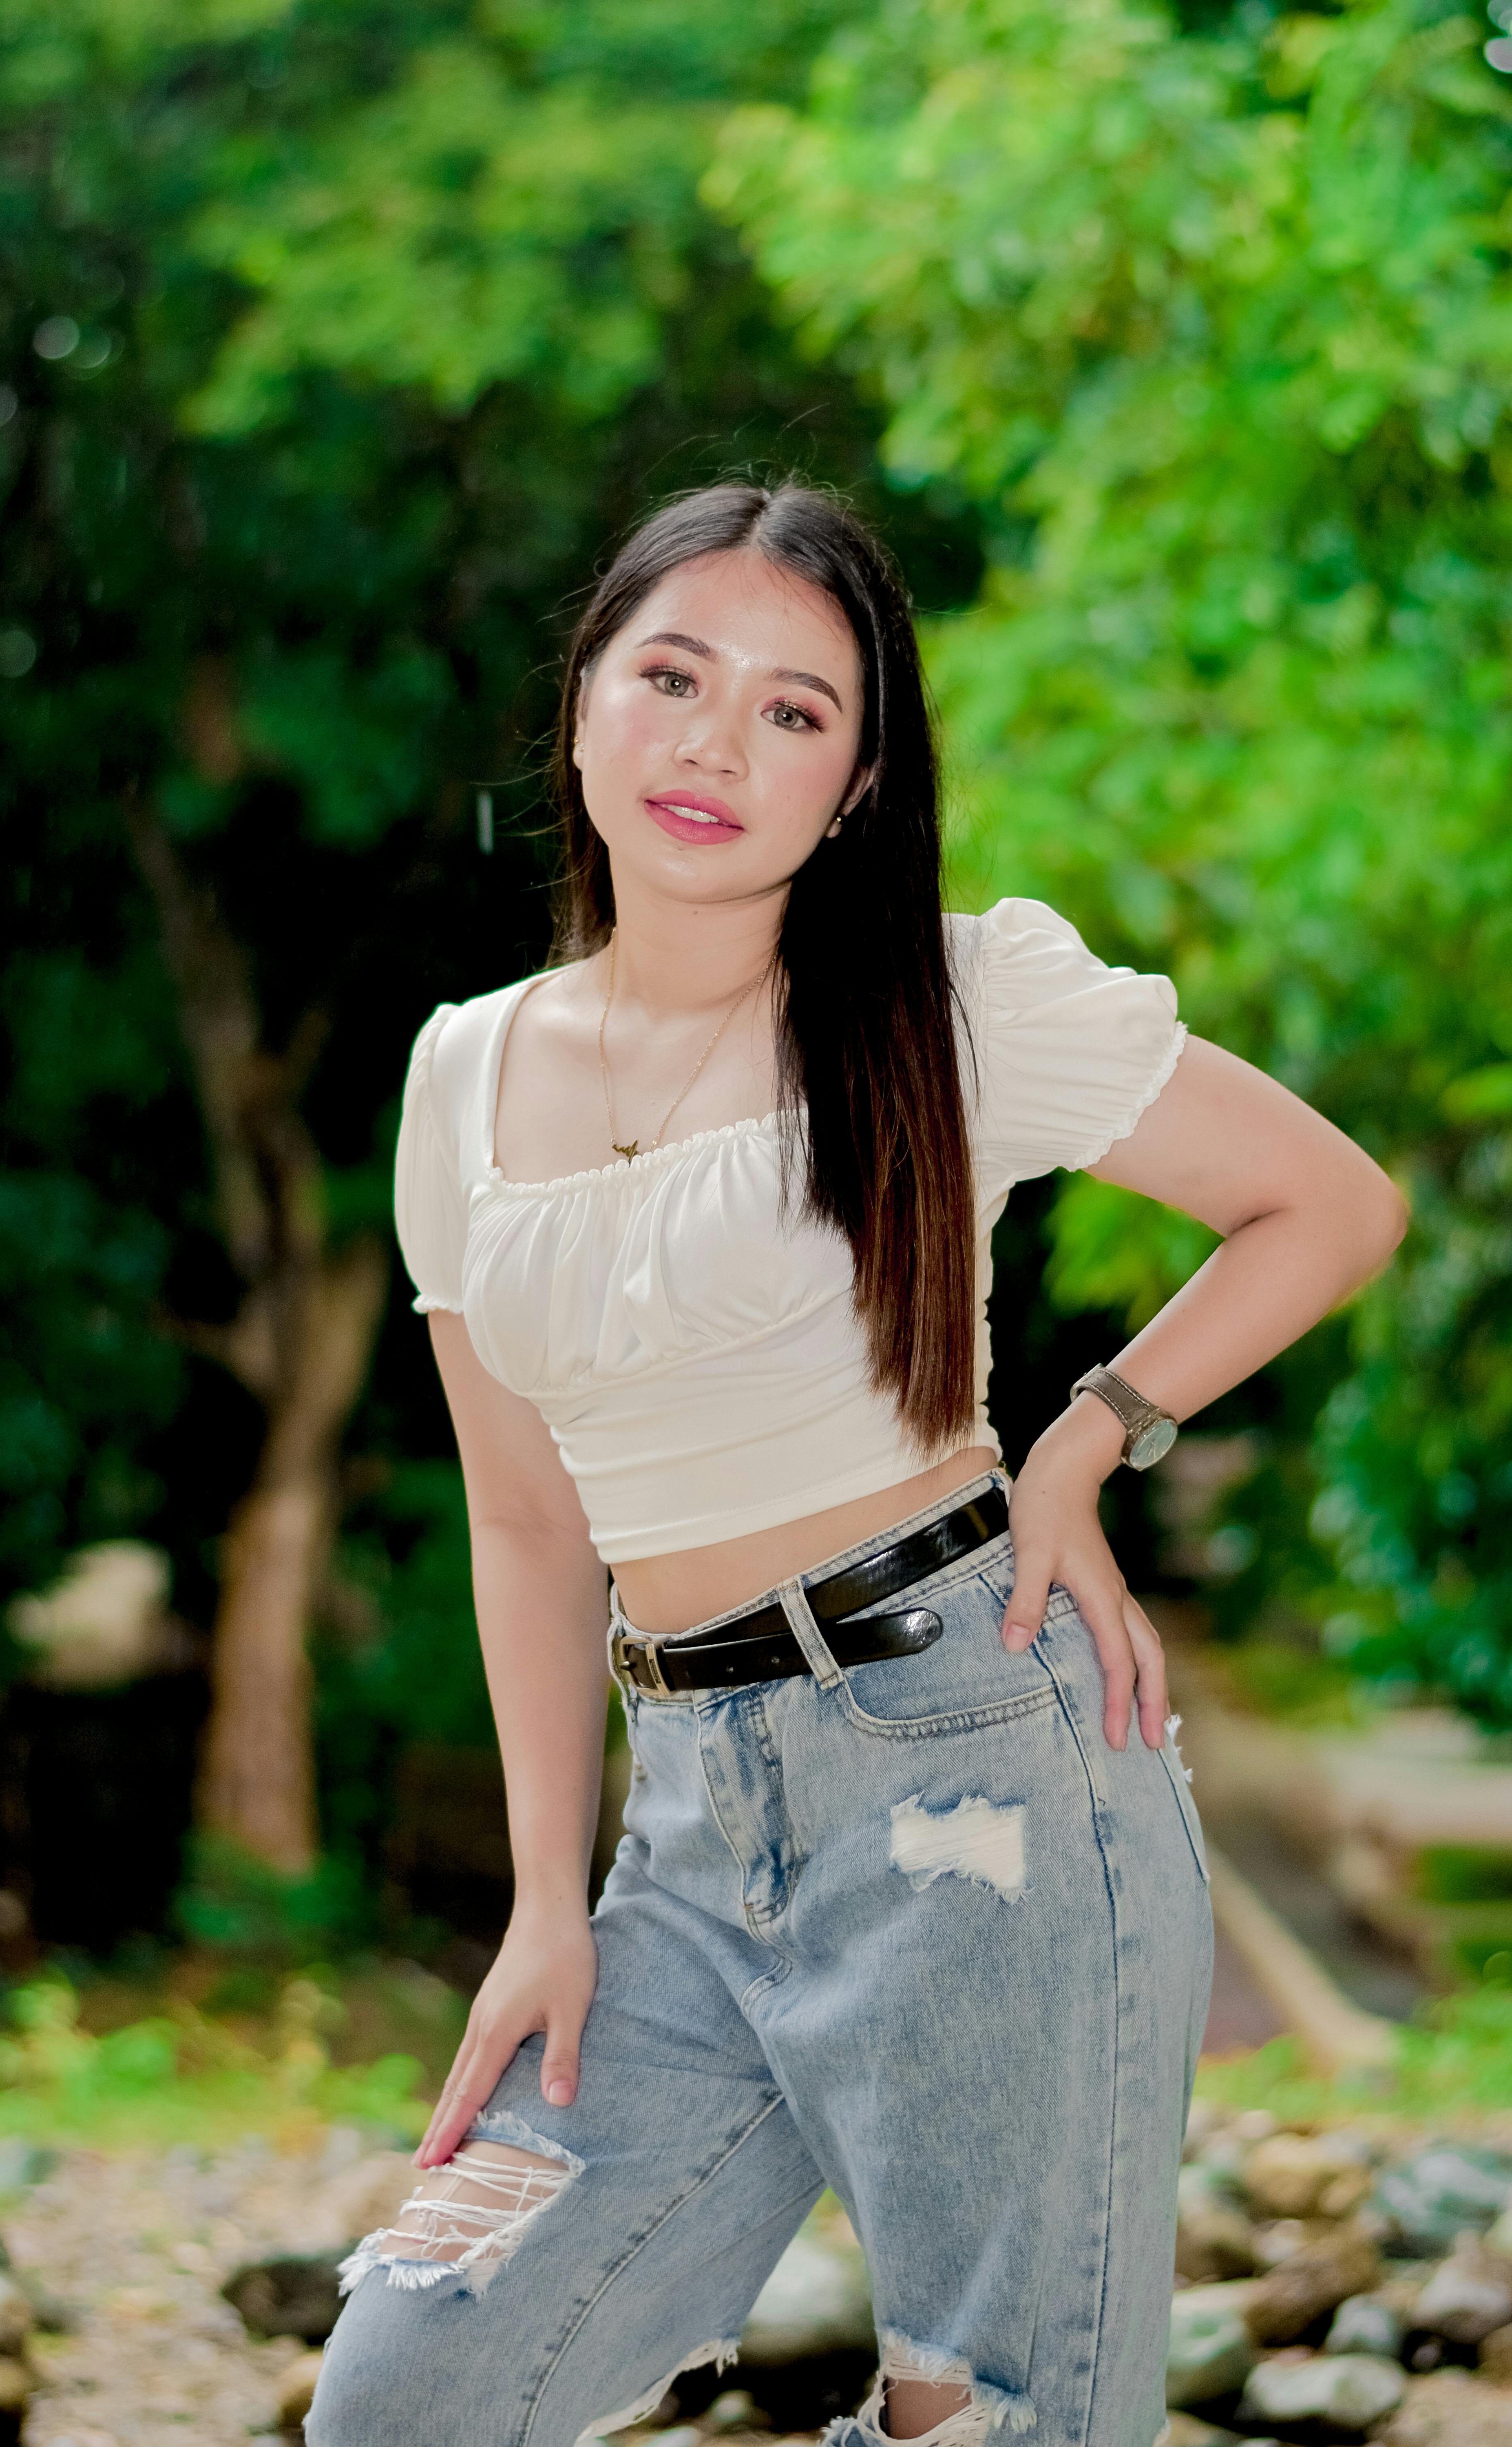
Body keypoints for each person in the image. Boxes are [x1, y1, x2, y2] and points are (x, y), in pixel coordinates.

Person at [307, 482, 1405, 2447]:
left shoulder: (957, 1001)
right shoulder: (462, 1071)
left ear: (858, 784)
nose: (718, 742)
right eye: (672, 676)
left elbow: (1323, 1205)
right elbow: (527, 1518)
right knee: (413, 2383)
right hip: (687, 1837)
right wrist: (544, 1896)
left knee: (979, 2424)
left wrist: (1090, 1440)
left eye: (795, 711)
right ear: (582, 709)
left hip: (972, 1765)